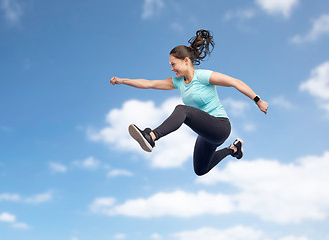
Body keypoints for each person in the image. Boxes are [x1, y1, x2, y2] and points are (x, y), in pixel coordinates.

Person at [110, 29, 268, 176]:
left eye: (173, 64)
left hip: (220, 126)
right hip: (205, 133)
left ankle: (152, 136)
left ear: (186, 61)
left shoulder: (203, 76)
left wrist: (257, 100)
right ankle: (234, 149)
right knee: (200, 169)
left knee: (182, 110)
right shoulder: (178, 82)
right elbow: (150, 83)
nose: (171, 69)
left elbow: (235, 82)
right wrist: (122, 81)